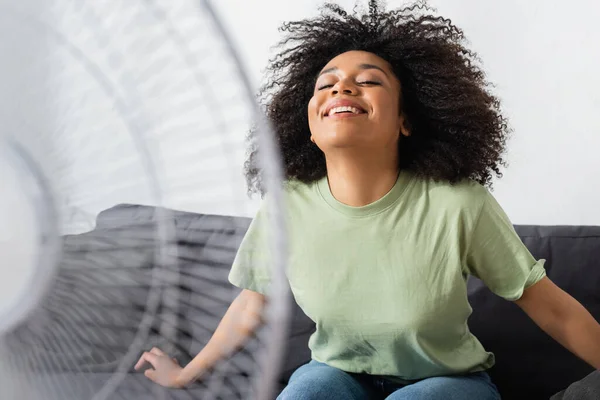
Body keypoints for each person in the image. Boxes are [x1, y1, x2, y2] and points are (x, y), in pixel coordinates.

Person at [134, 1, 600, 398]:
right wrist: (186, 374)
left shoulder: (459, 204)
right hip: (338, 375)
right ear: (310, 129)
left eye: (370, 80)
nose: (342, 87)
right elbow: (251, 303)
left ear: (405, 121)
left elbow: (551, 306)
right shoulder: (287, 207)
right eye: (326, 83)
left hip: (446, 380)